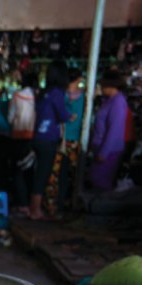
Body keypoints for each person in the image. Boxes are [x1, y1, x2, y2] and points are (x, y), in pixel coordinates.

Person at [29, 60, 71, 219]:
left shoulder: (43, 93)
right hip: (48, 139)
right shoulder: (57, 93)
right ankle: (36, 210)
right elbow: (62, 115)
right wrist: (70, 117)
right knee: (43, 174)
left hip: (37, 137)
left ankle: (34, 207)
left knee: (37, 173)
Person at [47, 69, 84, 212]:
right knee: (62, 175)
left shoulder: (62, 96)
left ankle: (58, 204)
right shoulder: (79, 97)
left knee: (60, 175)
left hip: (66, 139)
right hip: (67, 140)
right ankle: (58, 204)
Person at [89, 71, 129, 191]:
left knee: (100, 180)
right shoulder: (110, 100)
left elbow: (114, 130)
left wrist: (103, 153)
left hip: (109, 151)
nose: (100, 87)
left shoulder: (117, 102)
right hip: (104, 148)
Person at [8, 71, 37, 211]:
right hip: (33, 137)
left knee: (18, 171)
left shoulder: (17, 96)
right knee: (30, 171)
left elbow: (10, 117)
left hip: (18, 137)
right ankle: (31, 203)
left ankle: (23, 203)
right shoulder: (38, 97)